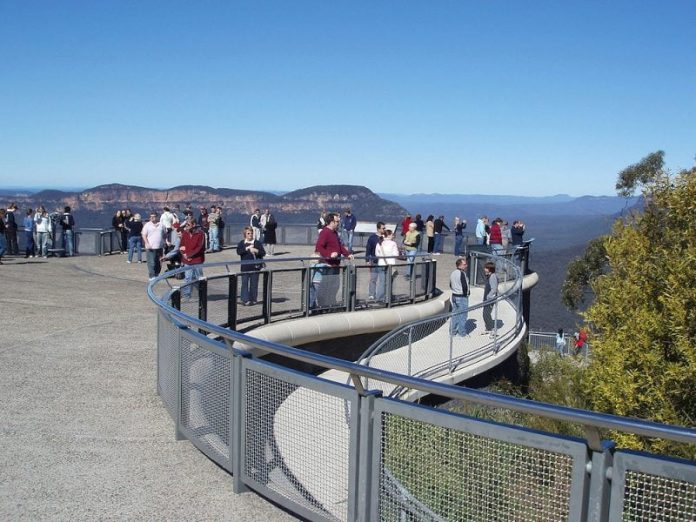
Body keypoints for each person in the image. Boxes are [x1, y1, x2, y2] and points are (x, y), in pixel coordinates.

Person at [315, 212, 352, 307]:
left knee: (334, 287)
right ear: (331, 222)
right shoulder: (325, 232)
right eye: (337, 221)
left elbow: (340, 246)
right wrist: (329, 255)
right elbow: (319, 247)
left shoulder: (334, 233)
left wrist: (347, 254)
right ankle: (323, 305)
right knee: (326, 286)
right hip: (328, 265)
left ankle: (331, 304)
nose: (338, 223)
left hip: (335, 265)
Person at [237, 226, 266, 306]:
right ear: (245, 234)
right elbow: (238, 252)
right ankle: (245, 300)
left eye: (251, 233)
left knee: (254, 284)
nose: (250, 235)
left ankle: (253, 299)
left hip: (255, 267)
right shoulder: (242, 243)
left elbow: (263, 253)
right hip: (245, 267)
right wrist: (246, 248)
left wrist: (256, 250)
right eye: (248, 233)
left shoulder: (257, 243)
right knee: (244, 284)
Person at [180, 218, 206, 297]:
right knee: (188, 278)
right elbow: (181, 245)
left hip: (197, 260)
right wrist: (184, 254)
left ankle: (202, 294)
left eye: (188, 225)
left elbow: (200, 248)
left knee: (199, 278)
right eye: (186, 225)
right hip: (187, 260)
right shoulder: (185, 233)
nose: (186, 226)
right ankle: (187, 295)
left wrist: (189, 255)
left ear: (194, 224)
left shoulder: (201, 234)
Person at [375, 229, 400, 302]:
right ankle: (388, 297)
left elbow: (377, 254)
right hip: (390, 264)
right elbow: (396, 254)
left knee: (382, 282)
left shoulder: (379, 243)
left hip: (381, 263)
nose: (393, 236)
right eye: (392, 234)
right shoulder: (393, 243)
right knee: (389, 281)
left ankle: (380, 297)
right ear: (388, 235)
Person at [449, 257, 470, 337]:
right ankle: (462, 333)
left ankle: (452, 332)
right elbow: (465, 286)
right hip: (461, 297)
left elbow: (450, 284)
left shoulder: (453, 273)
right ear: (460, 265)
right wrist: (466, 294)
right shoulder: (462, 274)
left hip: (454, 296)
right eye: (464, 264)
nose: (466, 266)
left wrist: (455, 290)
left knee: (454, 315)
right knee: (463, 315)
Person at [365, 221, 385, 300]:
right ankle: (371, 294)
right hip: (374, 261)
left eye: (384, 228)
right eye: (383, 228)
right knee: (373, 279)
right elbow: (368, 249)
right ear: (378, 229)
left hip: (383, 262)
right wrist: (367, 260)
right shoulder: (372, 238)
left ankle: (381, 296)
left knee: (382, 280)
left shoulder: (385, 237)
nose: (384, 230)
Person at [142, 213, 166, 279]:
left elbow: (165, 234)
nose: (152, 218)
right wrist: (147, 243)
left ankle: (156, 274)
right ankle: (152, 276)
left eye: (154, 216)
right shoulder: (147, 225)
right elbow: (144, 235)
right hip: (150, 247)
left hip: (159, 246)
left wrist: (165, 241)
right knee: (151, 262)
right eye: (151, 217)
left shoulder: (161, 225)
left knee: (159, 262)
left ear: (157, 217)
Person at [482, 261, 498, 337]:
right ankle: (488, 329)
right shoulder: (489, 276)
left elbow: (494, 289)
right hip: (487, 299)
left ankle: (492, 330)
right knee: (485, 314)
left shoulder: (493, 277)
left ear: (490, 269)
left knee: (486, 314)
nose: (484, 269)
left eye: (486, 268)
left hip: (490, 299)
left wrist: (488, 297)